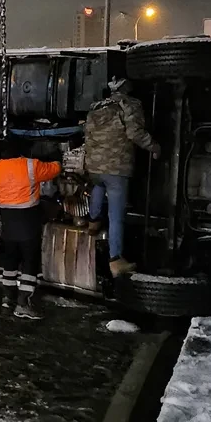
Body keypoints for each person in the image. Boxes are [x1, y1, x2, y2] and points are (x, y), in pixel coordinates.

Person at [84, 78, 159, 278]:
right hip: (117, 167)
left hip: (94, 165)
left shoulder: (96, 107)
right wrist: (154, 147)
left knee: (98, 187)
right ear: (126, 89)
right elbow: (135, 133)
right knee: (116, 216)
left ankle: (92, 223)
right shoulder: (130, 105)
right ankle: (116, 260)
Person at [0, 139, 62, 320]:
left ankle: (7, 300)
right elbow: (55, 169)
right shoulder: (31, 165)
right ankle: (23, 304)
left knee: (10, 261)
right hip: (28, 220)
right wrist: (56, 157)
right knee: (29, 261)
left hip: (8, 222)